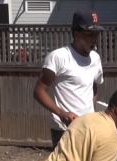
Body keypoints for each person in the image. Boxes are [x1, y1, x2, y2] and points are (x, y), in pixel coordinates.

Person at [34, 11, 105, 148]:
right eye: (89, 34)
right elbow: (39, 91)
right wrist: (62, 113)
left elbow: (94, 86)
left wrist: (90, 112)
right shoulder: (59, 57)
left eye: (96, 34)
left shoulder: (95, 58)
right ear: (76, 33)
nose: (94, 39)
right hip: (64, 131)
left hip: (88, 128)